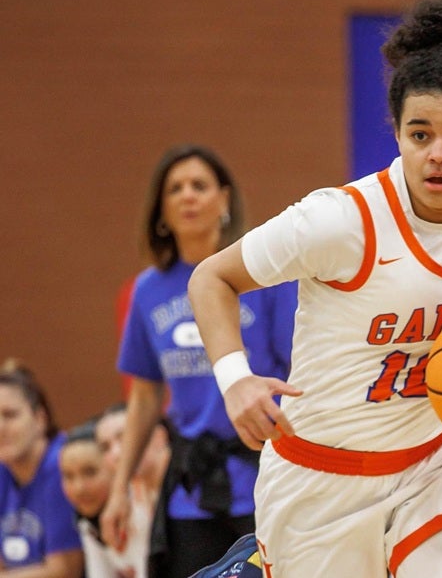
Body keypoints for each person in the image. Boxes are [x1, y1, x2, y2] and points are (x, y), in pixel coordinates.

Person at [187, 0, 442, 577]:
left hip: (436, 467)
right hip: (319, 481)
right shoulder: (340, 221)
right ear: (397, 133)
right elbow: (211, 277)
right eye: (420, 134)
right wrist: (236, 381)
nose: (438, 155)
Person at [99, 144, 297, 577]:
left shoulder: (266, 277)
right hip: (191, 489)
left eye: (200, 186)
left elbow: (300, 370)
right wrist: (119, 491)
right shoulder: (147, 291)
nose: (188, 196)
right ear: (161, 209)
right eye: (176, 188)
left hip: (268, 474)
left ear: (224, 200)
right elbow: (146, 397)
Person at [0, 359, 83, 577]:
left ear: (40, 419)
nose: (0, 428)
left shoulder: (63, 464)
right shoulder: (3, 470)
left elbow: (65, 571)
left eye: (10, 415)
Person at [60, 418, 151, 578]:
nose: (79, 488)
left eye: (90, 472)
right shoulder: (86, 523)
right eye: (68, 476)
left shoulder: (143, 509)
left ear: (114, 467)